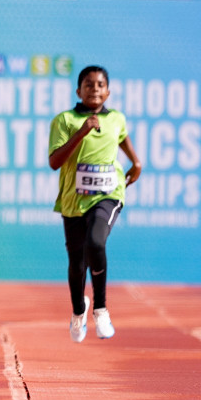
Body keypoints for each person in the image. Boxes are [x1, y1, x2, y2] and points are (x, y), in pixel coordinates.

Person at [48, 65, 142, 341]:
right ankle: (79, 312)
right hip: (73, 200)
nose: (95, 89)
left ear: (108, 92)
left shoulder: (116, 119)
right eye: (89, 85)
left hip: (109, 193)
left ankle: (100, 310)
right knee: (77, 265)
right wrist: (82, 132)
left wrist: (135, 161)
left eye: (100, 85)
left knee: (96, 243)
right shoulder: (65, 120)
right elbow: (55, 162)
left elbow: (122, 137)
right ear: (79, 91)